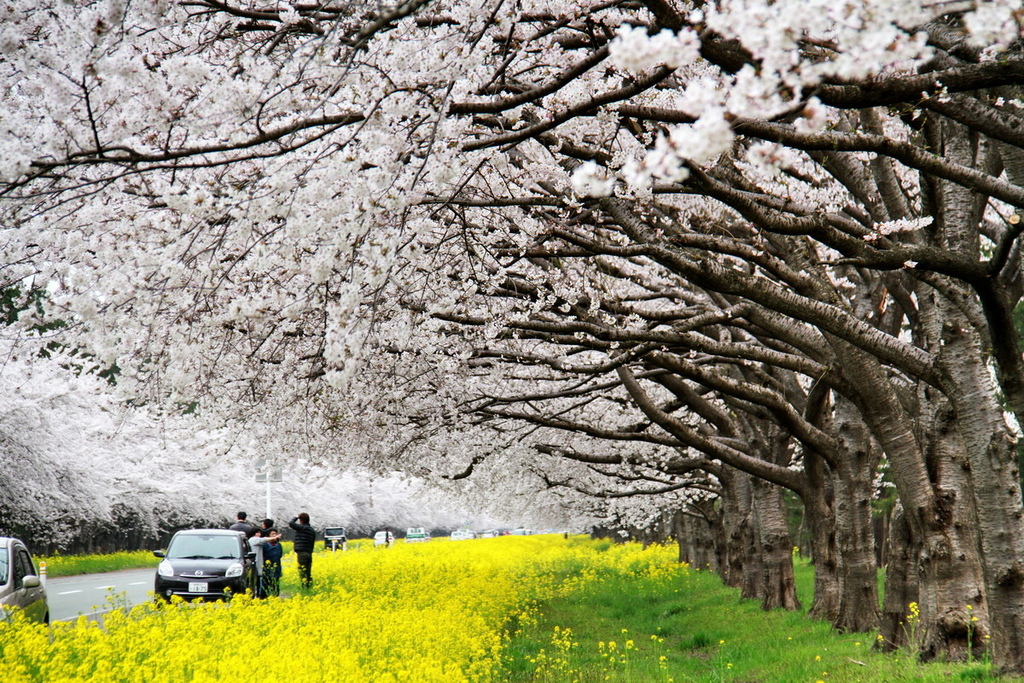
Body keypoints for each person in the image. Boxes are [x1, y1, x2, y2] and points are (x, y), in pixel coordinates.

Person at [248, 525, 281, 598]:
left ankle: (259, 597)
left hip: (258, 565)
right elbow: (263, 540)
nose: (259, 534)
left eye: (259, 533)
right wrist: (275, 537)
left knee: (258, 582)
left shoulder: (278, 545)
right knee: (256, 583)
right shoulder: (254, 540)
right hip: (255, 564)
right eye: (257, 533)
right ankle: (258, 597)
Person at [289, 512, 315, 589]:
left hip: (302, 552)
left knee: (302, 571)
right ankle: (309, 586)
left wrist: (296, 517)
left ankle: (305, 587)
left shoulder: (302, 528)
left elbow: (291, 523)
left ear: (301, 520)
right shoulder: (311, 530)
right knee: (308, 571)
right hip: (309, 552)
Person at [262, 527, 283, 597]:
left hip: (276, 567)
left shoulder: (279, 545)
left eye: (275, 534)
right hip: (267, 567)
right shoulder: (265, 545)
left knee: (275, 583)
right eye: (272, 534)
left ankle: (275, 596)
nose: (274, 535)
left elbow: (280, 555)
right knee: (266, 583)